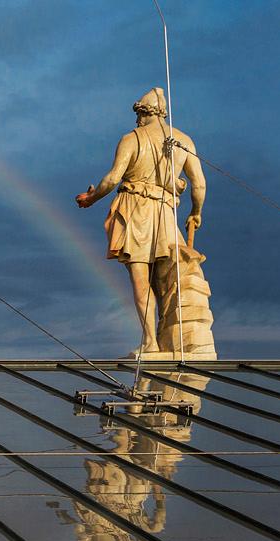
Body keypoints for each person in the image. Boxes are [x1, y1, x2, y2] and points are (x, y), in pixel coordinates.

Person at [75, 88, 207, 357]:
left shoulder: (132, 138)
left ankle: (150, 342)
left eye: (138, 114)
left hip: (136, 211)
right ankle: (163, 338)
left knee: (141, 280)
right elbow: (200, 185)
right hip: (167, 214)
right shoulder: (184, 140)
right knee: (165, 280)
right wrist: (196, 212)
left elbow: (112, 179)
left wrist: (90, 197)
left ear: (144, 112)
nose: (137, 120)